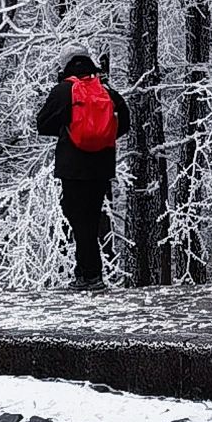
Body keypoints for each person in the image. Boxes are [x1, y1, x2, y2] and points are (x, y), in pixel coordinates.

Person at [34, 50, 128, 287]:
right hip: (101, 166)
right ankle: (87, 273)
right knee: (91, 218)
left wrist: (69, 130)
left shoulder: (65, 90)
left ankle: (90, 275)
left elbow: (42, 123)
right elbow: (124, 121)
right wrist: (102, 136)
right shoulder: (106, 92)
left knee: (77, 218)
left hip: (73, 165)